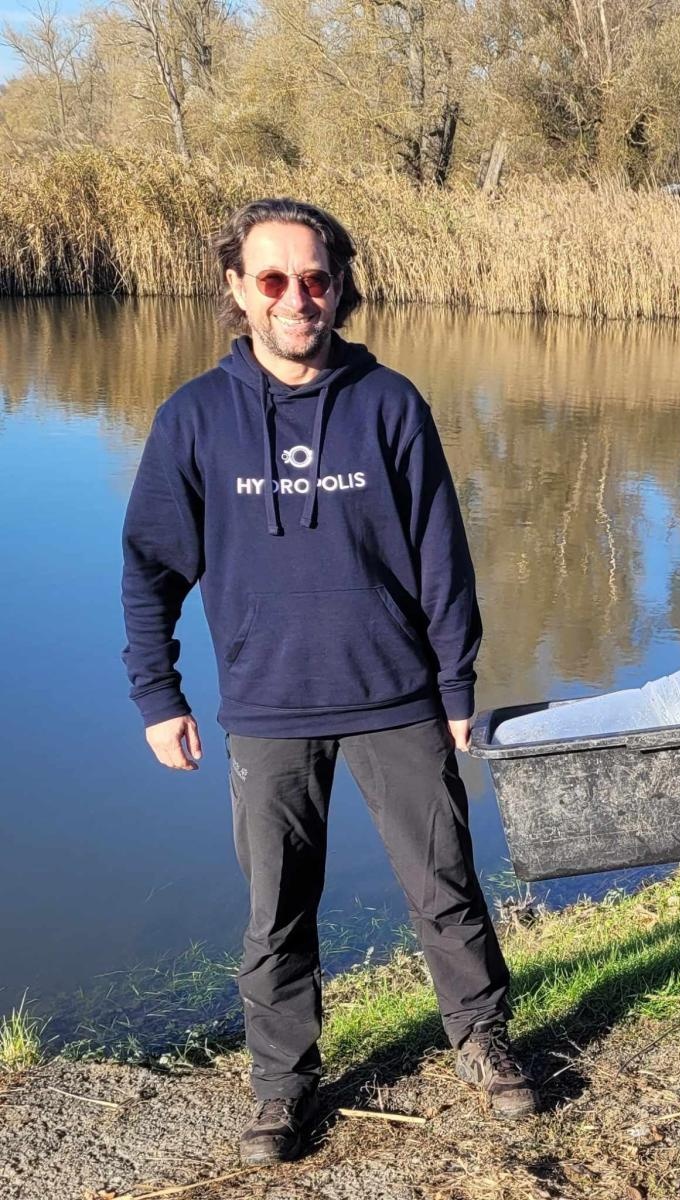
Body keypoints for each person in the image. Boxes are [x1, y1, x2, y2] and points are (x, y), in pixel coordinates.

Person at [120, 198, 537, 1167]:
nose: (297, 298)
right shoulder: (194, 420)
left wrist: (457, 684)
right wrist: (158, 695)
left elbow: (443, 555)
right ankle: (281, 1086)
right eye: (273, 281)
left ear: (340, 284)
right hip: (267, 707)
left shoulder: (389, 403)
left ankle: (482, 1040)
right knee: (276, 912)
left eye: (315, 279)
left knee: (445, 888)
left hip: (397, 695)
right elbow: (149, 567)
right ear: (238, 291)